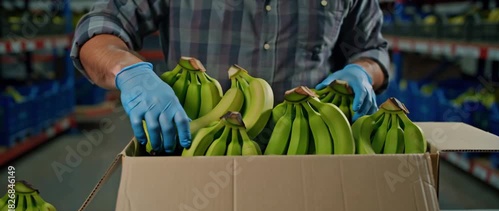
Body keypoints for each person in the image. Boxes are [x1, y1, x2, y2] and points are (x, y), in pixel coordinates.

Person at [70, 0, 390, 154]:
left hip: (310, 153)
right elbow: (98, 28)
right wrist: (129, 71)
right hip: (201, 155)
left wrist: (363, 72)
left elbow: (372, 49)